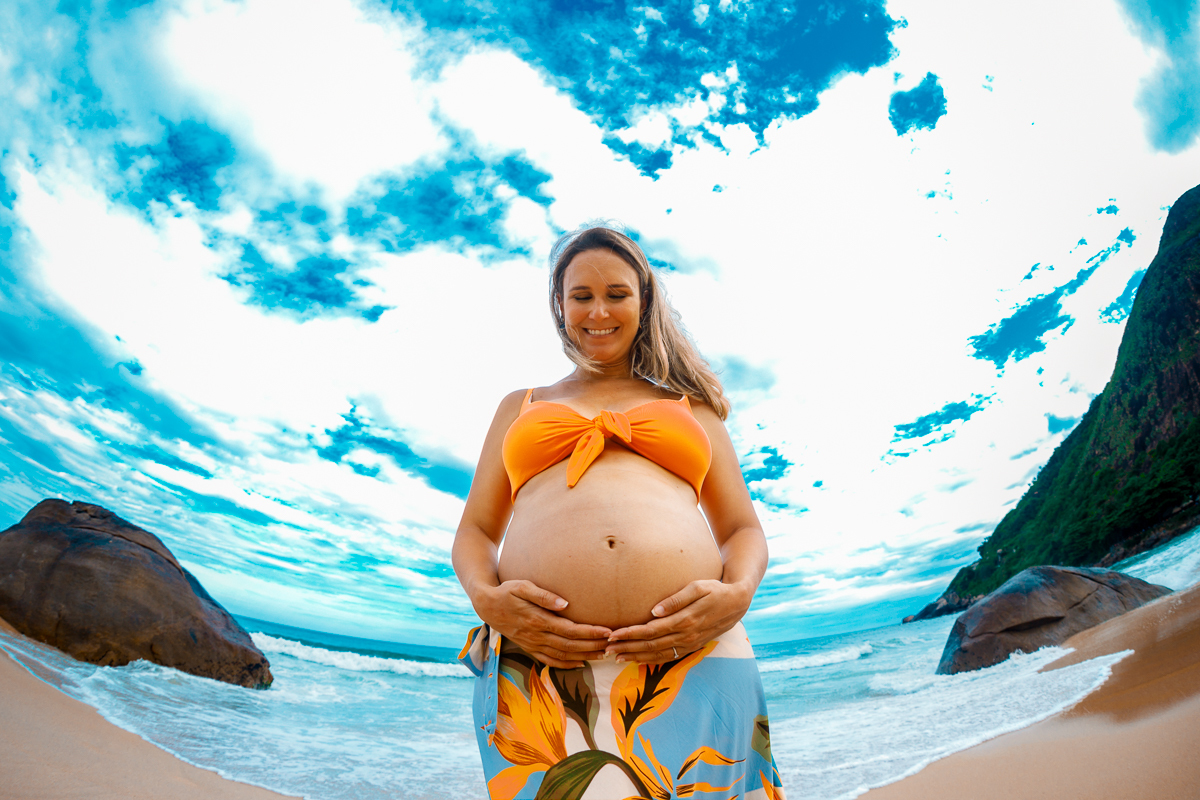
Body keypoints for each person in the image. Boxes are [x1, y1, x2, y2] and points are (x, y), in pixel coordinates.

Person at [453, 226, 786, 800]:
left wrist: (737, 595)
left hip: (694, 653)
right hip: (543, 665)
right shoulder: (521, 405)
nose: (598, 310)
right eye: (580, 295)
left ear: (644, 301)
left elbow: (741, 530)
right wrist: (488, 599)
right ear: (559, 306)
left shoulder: (691, 408)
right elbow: (477, 532)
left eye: (617, 293)